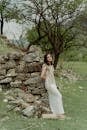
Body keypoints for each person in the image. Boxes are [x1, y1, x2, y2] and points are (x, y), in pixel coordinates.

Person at [40, 52, 65, 119]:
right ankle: (60, 113)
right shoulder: (45, 65)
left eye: (50, 56)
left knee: (53, 97)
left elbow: (52, 76)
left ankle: (55, 112)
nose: (49, 58)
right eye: (48, 57)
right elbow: (42, 76)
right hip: (49, 84)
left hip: (53, 84)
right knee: (59, 96)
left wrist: (55, 84)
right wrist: (48, 79)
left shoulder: (51, 65)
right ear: (46, 59)